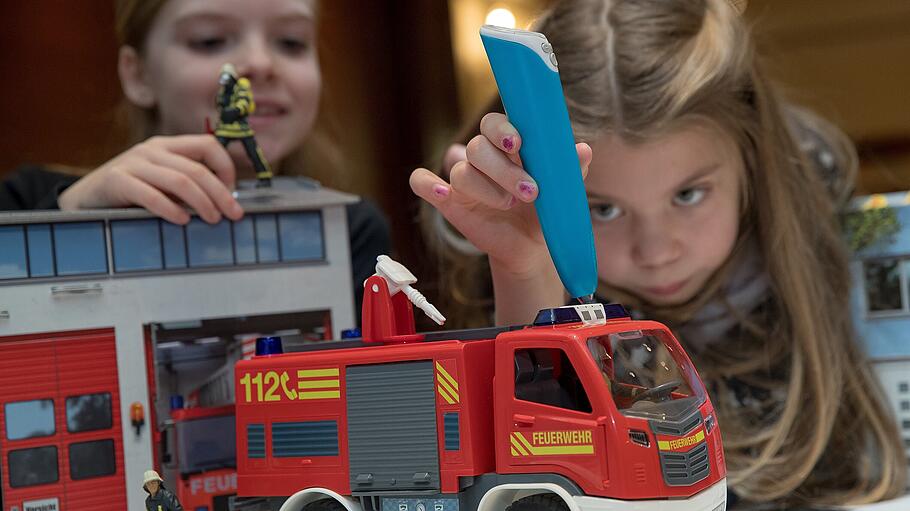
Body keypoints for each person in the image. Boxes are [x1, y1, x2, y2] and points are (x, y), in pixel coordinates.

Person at [410, 0, 906, 507]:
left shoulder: (846, 266)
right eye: (602, 209)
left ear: (754, 164)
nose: (656, 251)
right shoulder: (496, 261)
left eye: (688, 195)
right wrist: (525, 270)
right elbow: (537, 483)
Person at [0, 0, 390, 315]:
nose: (259, 63)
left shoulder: (351, 231)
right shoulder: (24, 204)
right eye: (210, 40)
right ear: (137, 76)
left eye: (291, 41)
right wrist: (68, 217)